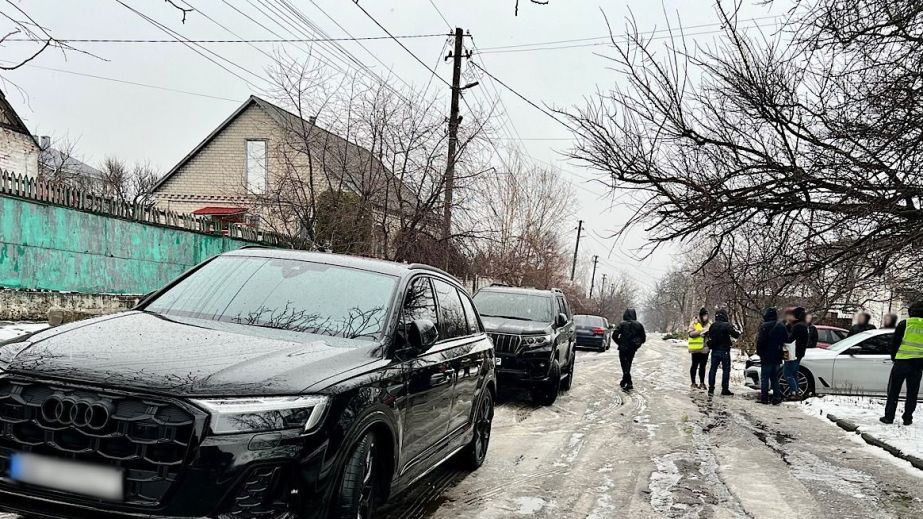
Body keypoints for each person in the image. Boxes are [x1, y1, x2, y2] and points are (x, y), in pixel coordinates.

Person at [880, 301, 923, 426]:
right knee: (912, 393)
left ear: (911, 313)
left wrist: (894, 357)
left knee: (893, 390)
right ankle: (908, 418)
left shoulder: (905, 324)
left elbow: (895, 343)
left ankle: (889, 417)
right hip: (918, 365)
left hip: (902, 363)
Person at [756, 307, 787, 405]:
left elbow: (760, 342)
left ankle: (764, 398)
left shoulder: (764, 326)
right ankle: (776, 397)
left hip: (766, 356)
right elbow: (787, 339)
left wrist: (760, 353)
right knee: (775, 378)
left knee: (765, 378)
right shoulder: (781, 326)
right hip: (777, 356)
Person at [707, 309, 741, 396]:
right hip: (724, 350)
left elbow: (709, 336)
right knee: (726, 370)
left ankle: (711, 388)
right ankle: (725, 389)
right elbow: (735, 334)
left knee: (713, 369)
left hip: (714, 351)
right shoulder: (726, 325)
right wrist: (738, 331)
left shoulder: (713, 326)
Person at [615, 308, 646, 391]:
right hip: (632, 348)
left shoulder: (622, 324)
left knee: (624, 364)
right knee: (628, 363)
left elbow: (614, 335)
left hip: (623, 348)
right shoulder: (639, 325)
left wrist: (619, 343)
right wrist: (637, 344)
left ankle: (628, 381)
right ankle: (626, 381)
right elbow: (643, 338)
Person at [784, 307, 810, 400]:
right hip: (799, 353)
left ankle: (794, 392)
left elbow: (789, 339)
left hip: (792, 353)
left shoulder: (797, 326)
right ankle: (797, 391)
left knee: (787, 373)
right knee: (794, 373)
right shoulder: (804, 325)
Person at [687, 308, 711, 390]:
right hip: (696, 348)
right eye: (704, 315)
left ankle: (702, 383)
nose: (706, 317)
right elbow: (690, 333)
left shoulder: (709, 323)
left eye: (707, 315)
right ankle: (693, 382)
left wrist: (708, 334)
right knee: (694, 365)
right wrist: (699, 332)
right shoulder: (694, 323)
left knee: (703, 366)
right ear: (701, 315)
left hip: (705, 348)